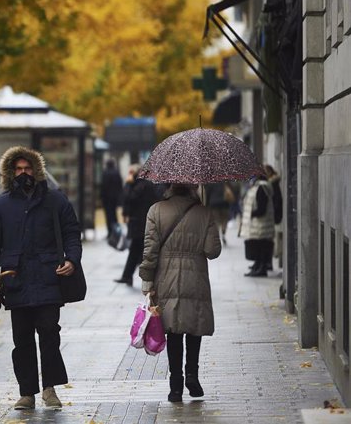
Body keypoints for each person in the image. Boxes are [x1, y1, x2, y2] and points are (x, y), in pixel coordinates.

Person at [0, 146, 82, 410]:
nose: (23, 173)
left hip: (49, 278)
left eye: (27, 168)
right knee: (22, 340)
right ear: (10, 172)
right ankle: (27, 392)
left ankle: (50, 389)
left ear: (36, 171)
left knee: (50, 334)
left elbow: (72, 232)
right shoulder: (1, 205)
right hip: (16, 281)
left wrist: (72, 259)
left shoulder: (55, 200)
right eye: (18, 169)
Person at [139, 183, 221, 403]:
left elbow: (150, 250)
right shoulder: (204, 212)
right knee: (194, 326)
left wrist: (147, 278)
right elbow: (213, 251)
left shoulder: (156, 210)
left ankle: (175, 385)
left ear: (169, 187)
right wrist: (204, 217)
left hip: (166, 277)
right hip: (196, 277)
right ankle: (192, 376)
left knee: (173, 329)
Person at [115, 164, 159, 285]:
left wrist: (128, 184)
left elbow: (128, 198)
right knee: (138, 251)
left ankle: (128, 276)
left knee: (136, 250)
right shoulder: (148, 184)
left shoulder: (140, 185)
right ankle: (128, 276)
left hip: (139, 224)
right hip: (144, 223)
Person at [240, 171, 275, 277]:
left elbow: (261, 209)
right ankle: (257, 266)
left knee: (260, 247)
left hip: (261, 224)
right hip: (257, 225)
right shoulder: (256, 187)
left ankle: (261, 268)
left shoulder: (261, 188)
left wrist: (251, 213)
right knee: (258, 247)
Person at [265, 164, 283, 269]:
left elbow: (276, 201)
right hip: (272, 216)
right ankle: (268, 263)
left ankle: (269, 263)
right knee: (269, 241)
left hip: (273, 217)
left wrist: (275, 216)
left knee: (270, 241)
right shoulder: (270, 183)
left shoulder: (273, 184)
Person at [100, 159, 123, 238]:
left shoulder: (106, 173)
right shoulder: (116, 172)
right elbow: (120, 185)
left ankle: (110, 232)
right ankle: (116, 231)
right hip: (115, 198)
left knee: (109, 216)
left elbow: (103, 186)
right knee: (114, 215)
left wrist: (102, 197)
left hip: (107, 199)